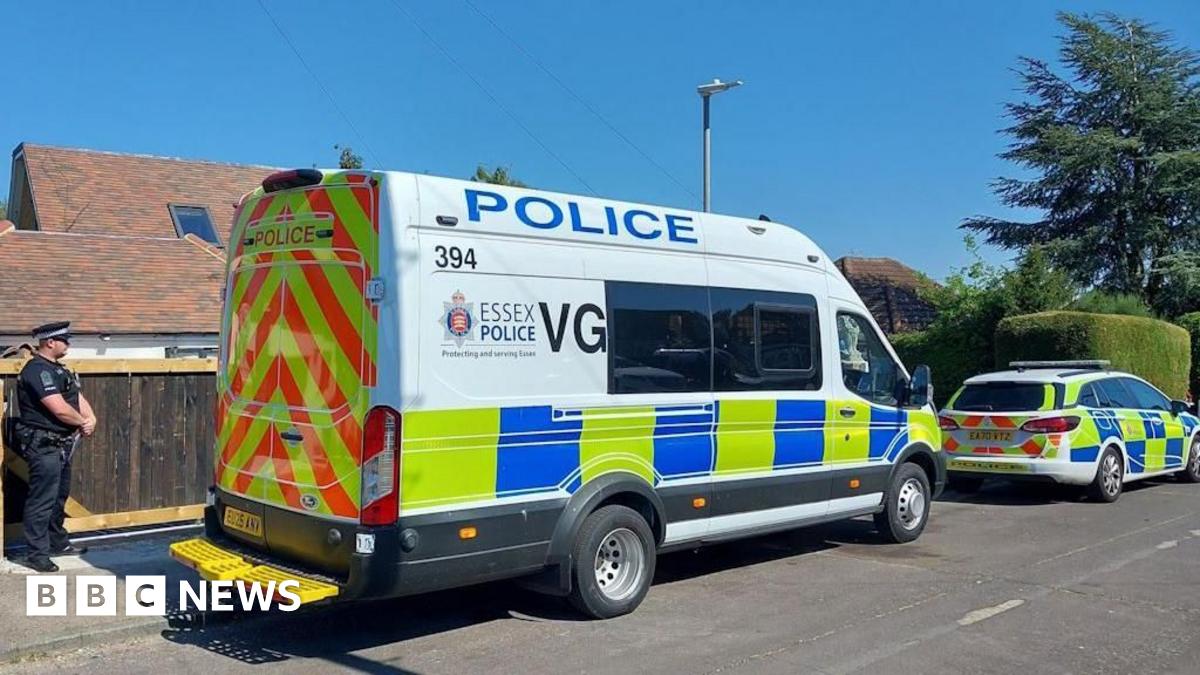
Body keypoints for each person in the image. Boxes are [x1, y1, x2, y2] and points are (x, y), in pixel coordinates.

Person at [12, 322, 96, 573]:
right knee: (42, 500)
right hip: (44, 443)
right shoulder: (37, 371)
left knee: (58, 497)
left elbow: (76, 397)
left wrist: (90, 419)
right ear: (50, 342)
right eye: (64, 340)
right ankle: (36, 554)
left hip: (61, 444)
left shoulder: (58, 369)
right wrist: (83, 422)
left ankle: (58, 543)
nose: (68, 344)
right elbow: (58, 407)